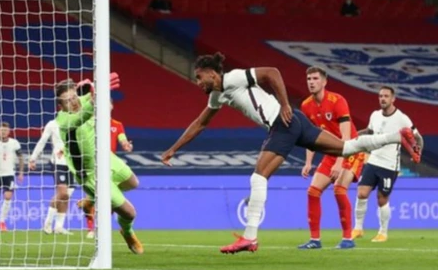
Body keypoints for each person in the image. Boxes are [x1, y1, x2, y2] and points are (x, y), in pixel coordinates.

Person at [161, 52, 420, 254]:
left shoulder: (234, 77)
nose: (197, 83)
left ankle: (250, 236)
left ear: (211, 73)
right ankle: (398, 136)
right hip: (294, 122)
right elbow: (200, 123)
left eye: (199, 77)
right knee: (346, 147)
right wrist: (173, 149)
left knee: (258, 177)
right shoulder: (217, 96)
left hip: (282, 123)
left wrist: (284, 103)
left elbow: (271, 72)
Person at [55, 78, 143, 254]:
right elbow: (84, 114)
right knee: (130, 213)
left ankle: (90, 201)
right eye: (66, 101)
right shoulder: (64, 121)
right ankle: (127, 232)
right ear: (60, 106)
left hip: (105, 157)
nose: (72, 102)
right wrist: (96, 97)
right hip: (90, 173)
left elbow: (89, 94)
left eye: (73, 97)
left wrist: (97, 85)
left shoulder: (82, 100)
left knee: (133, 183)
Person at [299, 67, 366, 249]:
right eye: (308, 79)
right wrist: (308, 162)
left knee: (339, 189)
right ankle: (314, 240)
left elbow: (345, 137)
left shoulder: (338, 101)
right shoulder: (306, 105)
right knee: (313, 191)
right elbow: (310, 137)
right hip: (331, 152)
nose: (311, 82)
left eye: (315, 78)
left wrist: (339, 163)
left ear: (324, 82)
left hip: (351, 149)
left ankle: (347, 239)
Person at [352, 86, 423, 242]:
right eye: (380, 96)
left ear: (393, 99)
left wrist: (417, 152)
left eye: (385, 96)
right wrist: (354, 135)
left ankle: (383, 232)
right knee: (362, 193)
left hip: (389, 164)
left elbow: (418, 137)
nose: (382, 99)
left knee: (382, 198)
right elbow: (370, 132)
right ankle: (358, 228)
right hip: (373, 160)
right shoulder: (375, 115)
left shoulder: (402, 118)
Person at [79, 100, 134, 239]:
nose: (105, 105)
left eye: (108, 103)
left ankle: (99, 228)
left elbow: (122, 139)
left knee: (108, 199)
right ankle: (91, 227)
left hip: (110, 164)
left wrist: (126, 145)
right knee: (99, 199)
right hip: (93, 163)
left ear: (112, 106)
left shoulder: (117, 125)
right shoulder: (91, 122)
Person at [30, 119, 75, 235]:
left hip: (73, 163)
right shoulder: (52, 124)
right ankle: (48, 223)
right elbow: (42, 141)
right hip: (58, 162)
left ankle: (59, 226)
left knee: (67, 195)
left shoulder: (78, 122)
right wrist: (33, 158)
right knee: (62, 193)